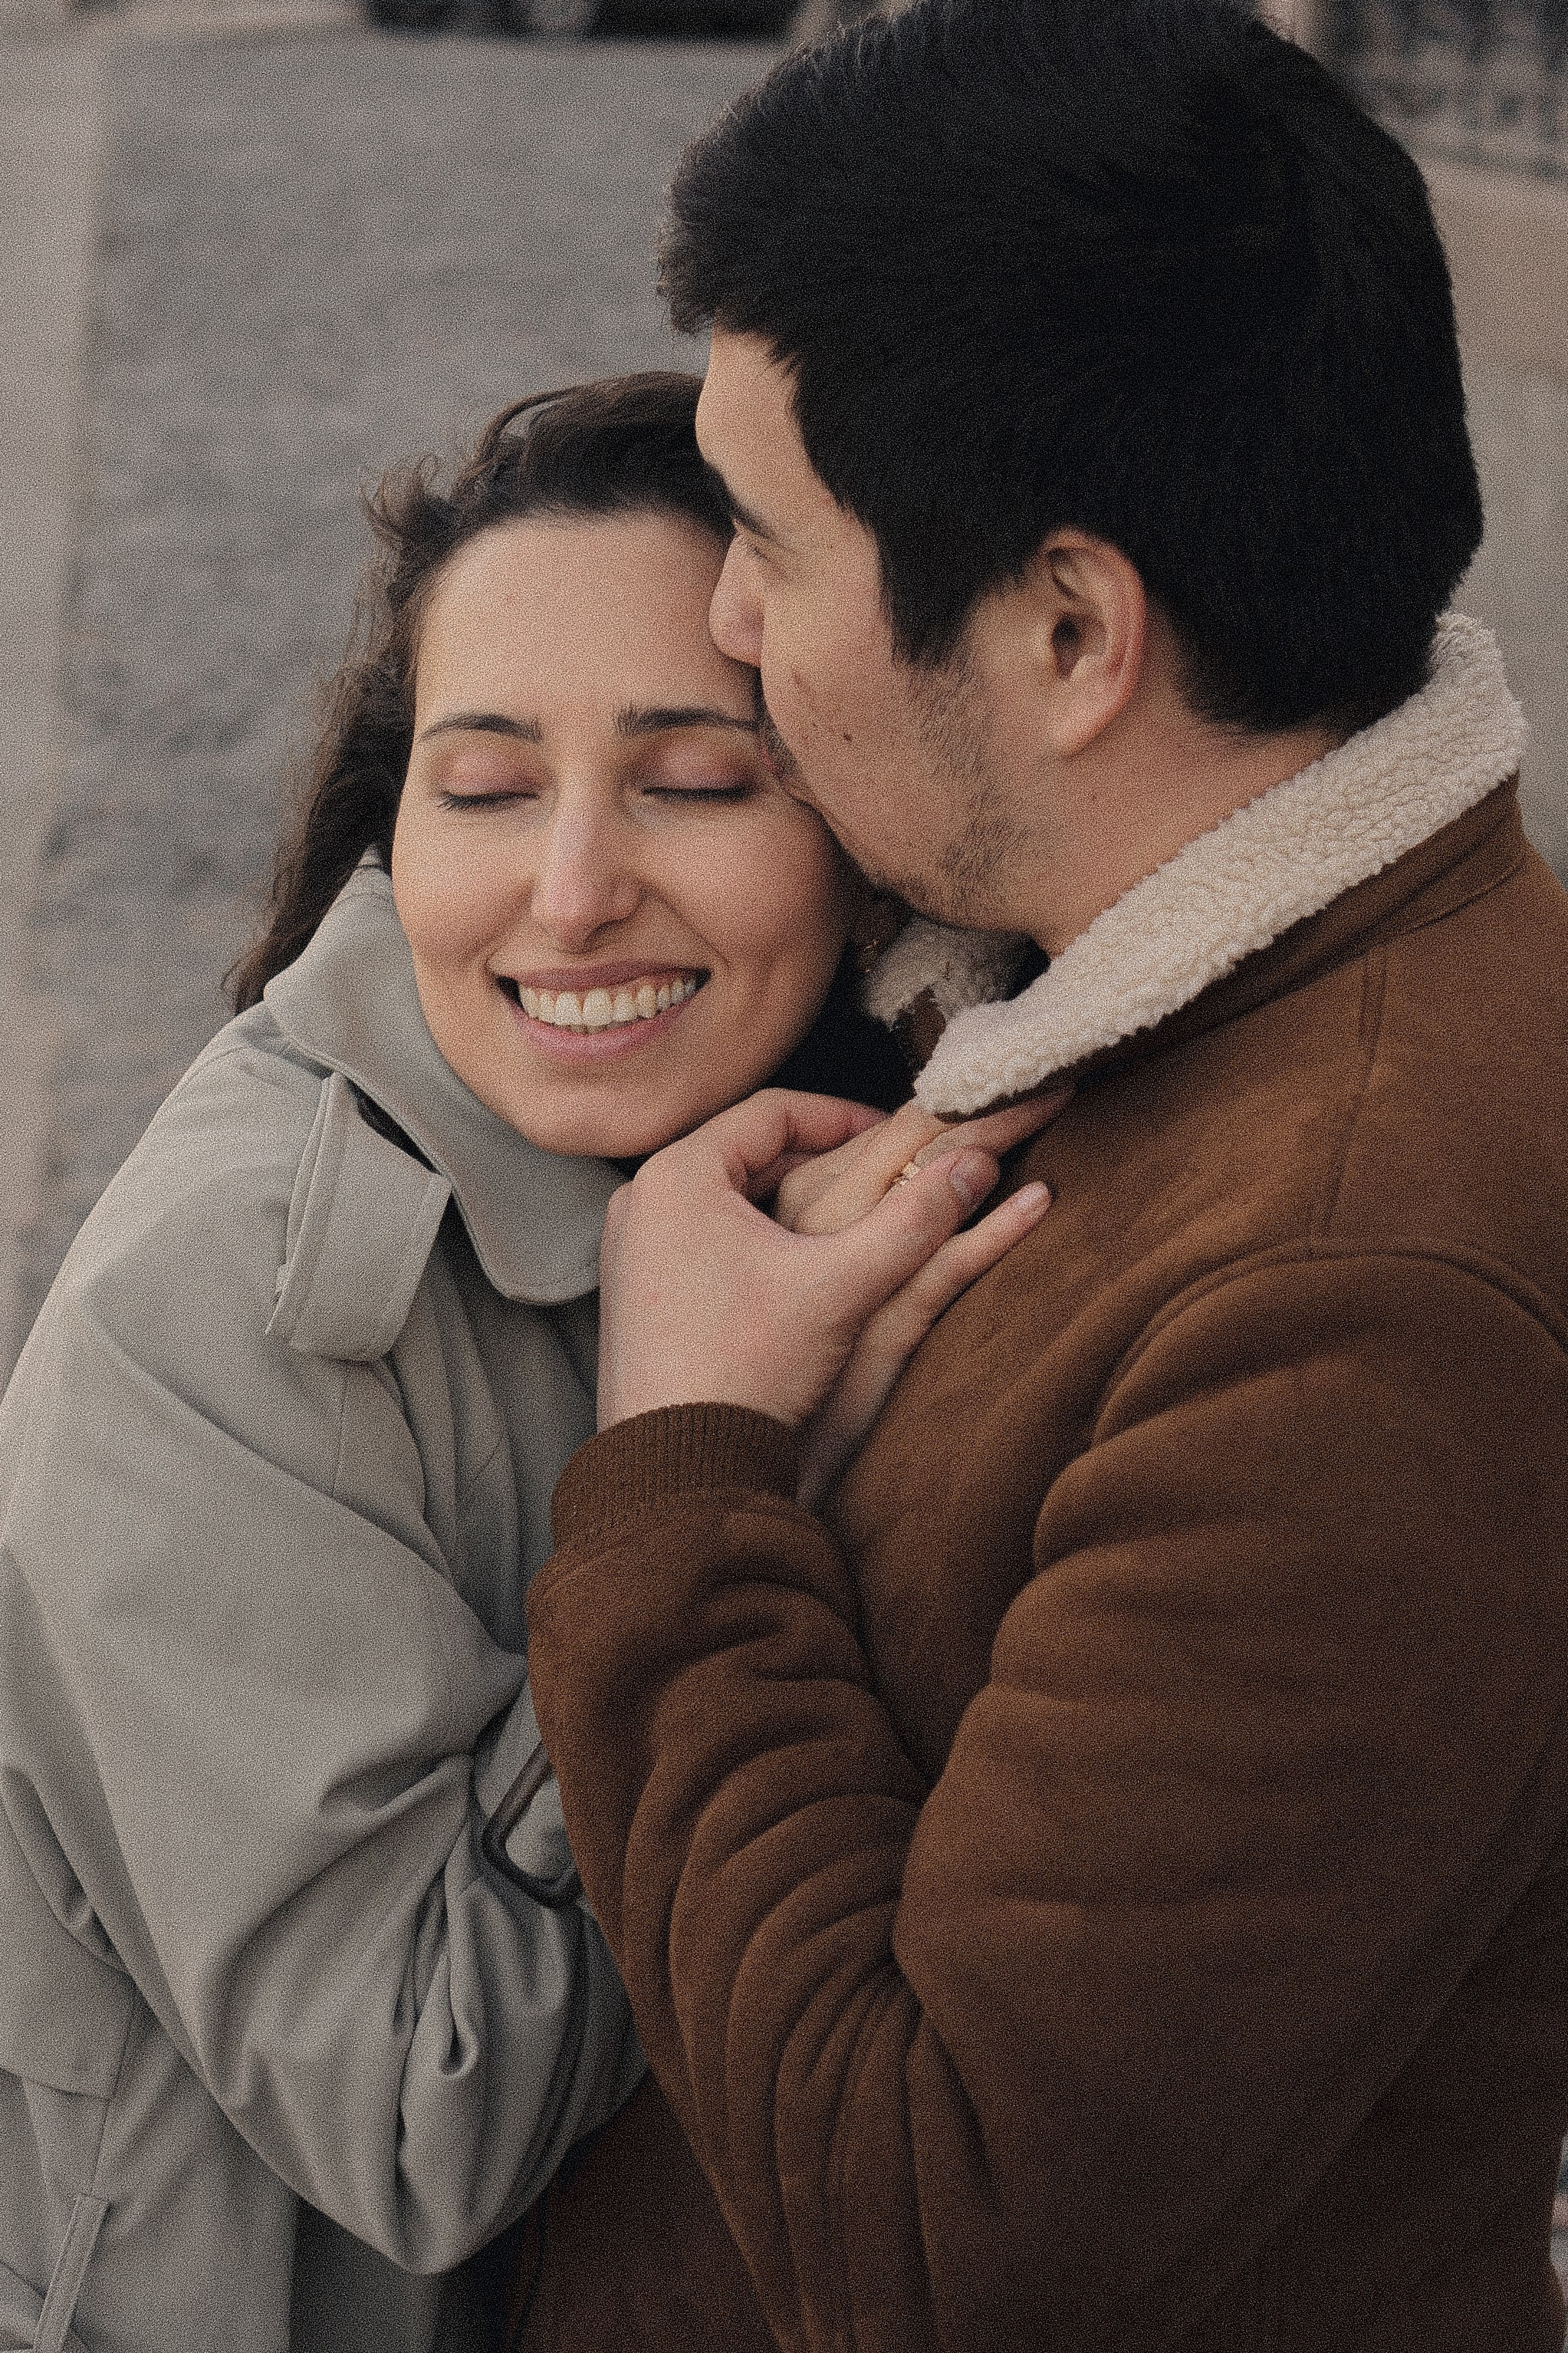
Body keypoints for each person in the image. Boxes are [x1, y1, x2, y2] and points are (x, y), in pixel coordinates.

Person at [510, 6, 1568, 2351]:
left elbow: (941, 2241)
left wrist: (682, 1476)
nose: (723, 617)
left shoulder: (1357, 1292)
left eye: (772, 539)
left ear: (1072, 632)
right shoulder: (1106, 977)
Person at [0, 371, 1053, 2353]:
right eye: (485, 786)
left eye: (698, 778)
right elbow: (425, 2104)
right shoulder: (211, 1317)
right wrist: (707, 1467)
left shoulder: (869, 1151)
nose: (571, 888)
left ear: (867, 825)